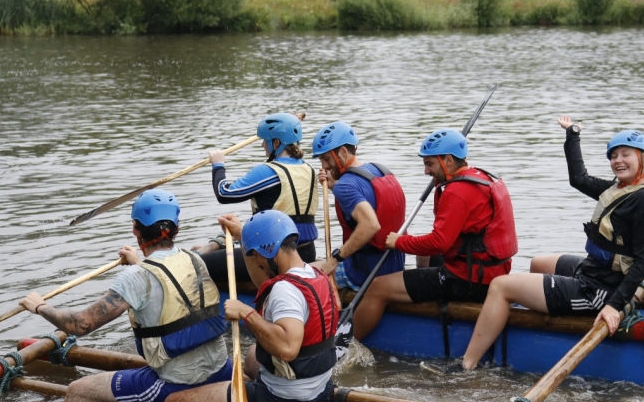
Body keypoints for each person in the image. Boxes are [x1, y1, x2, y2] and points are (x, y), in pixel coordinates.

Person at [458, 117, 644, 370]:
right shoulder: (621, 190)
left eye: (626, 154)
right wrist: (573, 135)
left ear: (643, 159)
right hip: (595, 270)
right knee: (539, 262)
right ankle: (534, 330)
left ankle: (466, 366)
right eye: (613, 156)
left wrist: (614, 306)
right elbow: (578, 179)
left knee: (500, 286)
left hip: (602, 290)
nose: (618, 161)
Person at [19, 189, 232, 402]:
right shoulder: (195, 258)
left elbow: (80, 325)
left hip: (177, 382)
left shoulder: (136, 277)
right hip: (221, 369)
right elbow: (164, 279)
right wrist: (138, 263)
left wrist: (40, 307)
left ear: (135, 229)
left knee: (77, 391)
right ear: (176, 229)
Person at [159, 210, 338, 402]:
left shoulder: (285, 290)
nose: (256, 263)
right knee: (253, 353)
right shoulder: (315, 273)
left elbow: (289, 347)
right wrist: (244, 236)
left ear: (265, 252)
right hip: (321, 389)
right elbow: (262, 274)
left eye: (254, 256)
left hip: (285, 401)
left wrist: (246, 313)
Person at [351, 129, 517, 342]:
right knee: (424, 258)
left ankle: (348, 345)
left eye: (430, 164)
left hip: (469, 281)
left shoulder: (458, 191)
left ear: (447, 160)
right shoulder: (480, 177)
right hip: (488, 272)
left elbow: (439, 242)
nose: (426, 171)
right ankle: (419, 294)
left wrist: (398, 241)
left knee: (377, 287)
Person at [196, 112, 318, 284]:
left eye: (265, 140)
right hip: (306, 252)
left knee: (199, 265)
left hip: (273, 258)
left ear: (276, 142)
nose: (262, 145)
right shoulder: (309, 169)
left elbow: (224, 193)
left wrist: (218, 164)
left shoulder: (268, 171)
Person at [310, 121, 407, 292]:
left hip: (363, 274)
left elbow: (371, 224)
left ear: (343, 152)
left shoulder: (345, 186)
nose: (324, 166)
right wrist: (335, 187)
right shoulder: (380, 170)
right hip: (394, 267)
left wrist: (336, 258)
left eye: (326, 159)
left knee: (295, 276)